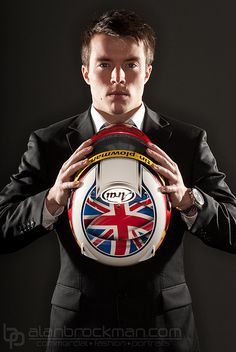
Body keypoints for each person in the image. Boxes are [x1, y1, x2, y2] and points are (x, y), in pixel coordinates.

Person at [0, 8, 236, 352]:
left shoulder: (186, 141)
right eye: (104, 64)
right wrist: (49, 202)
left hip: (164, 332)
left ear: (148, 71)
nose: (118, 78)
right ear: (85, 72)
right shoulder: (49, 143)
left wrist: (189, 200)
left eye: (131, 64)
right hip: (78, 332)